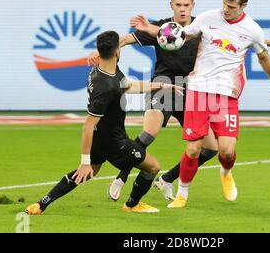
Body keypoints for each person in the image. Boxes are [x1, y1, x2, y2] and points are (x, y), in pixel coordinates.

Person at [88, 0, 270, 202]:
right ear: (171, 6)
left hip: (192, 91)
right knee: (149, 133)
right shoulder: (163, 28)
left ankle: (167, 179)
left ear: (193, 6)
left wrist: (269, 42)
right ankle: (123, 176)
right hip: (164, 85)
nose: (183, 9)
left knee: (211, 148)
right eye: (178, 5)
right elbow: (126, 39)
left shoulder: (203, 25)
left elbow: (236, 39)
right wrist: (103, 54)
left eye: (186, 5)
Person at [25, 31, 182, 214]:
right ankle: (132, 205)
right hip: (116, 143)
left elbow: (128, 86)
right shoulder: (107, 86)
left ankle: (41, 204)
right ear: (117, 51)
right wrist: (84, 160)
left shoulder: (102, 69)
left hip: (100, 139)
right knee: (153, 166)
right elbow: (88, 125)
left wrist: (162, 85)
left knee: (87, 172)